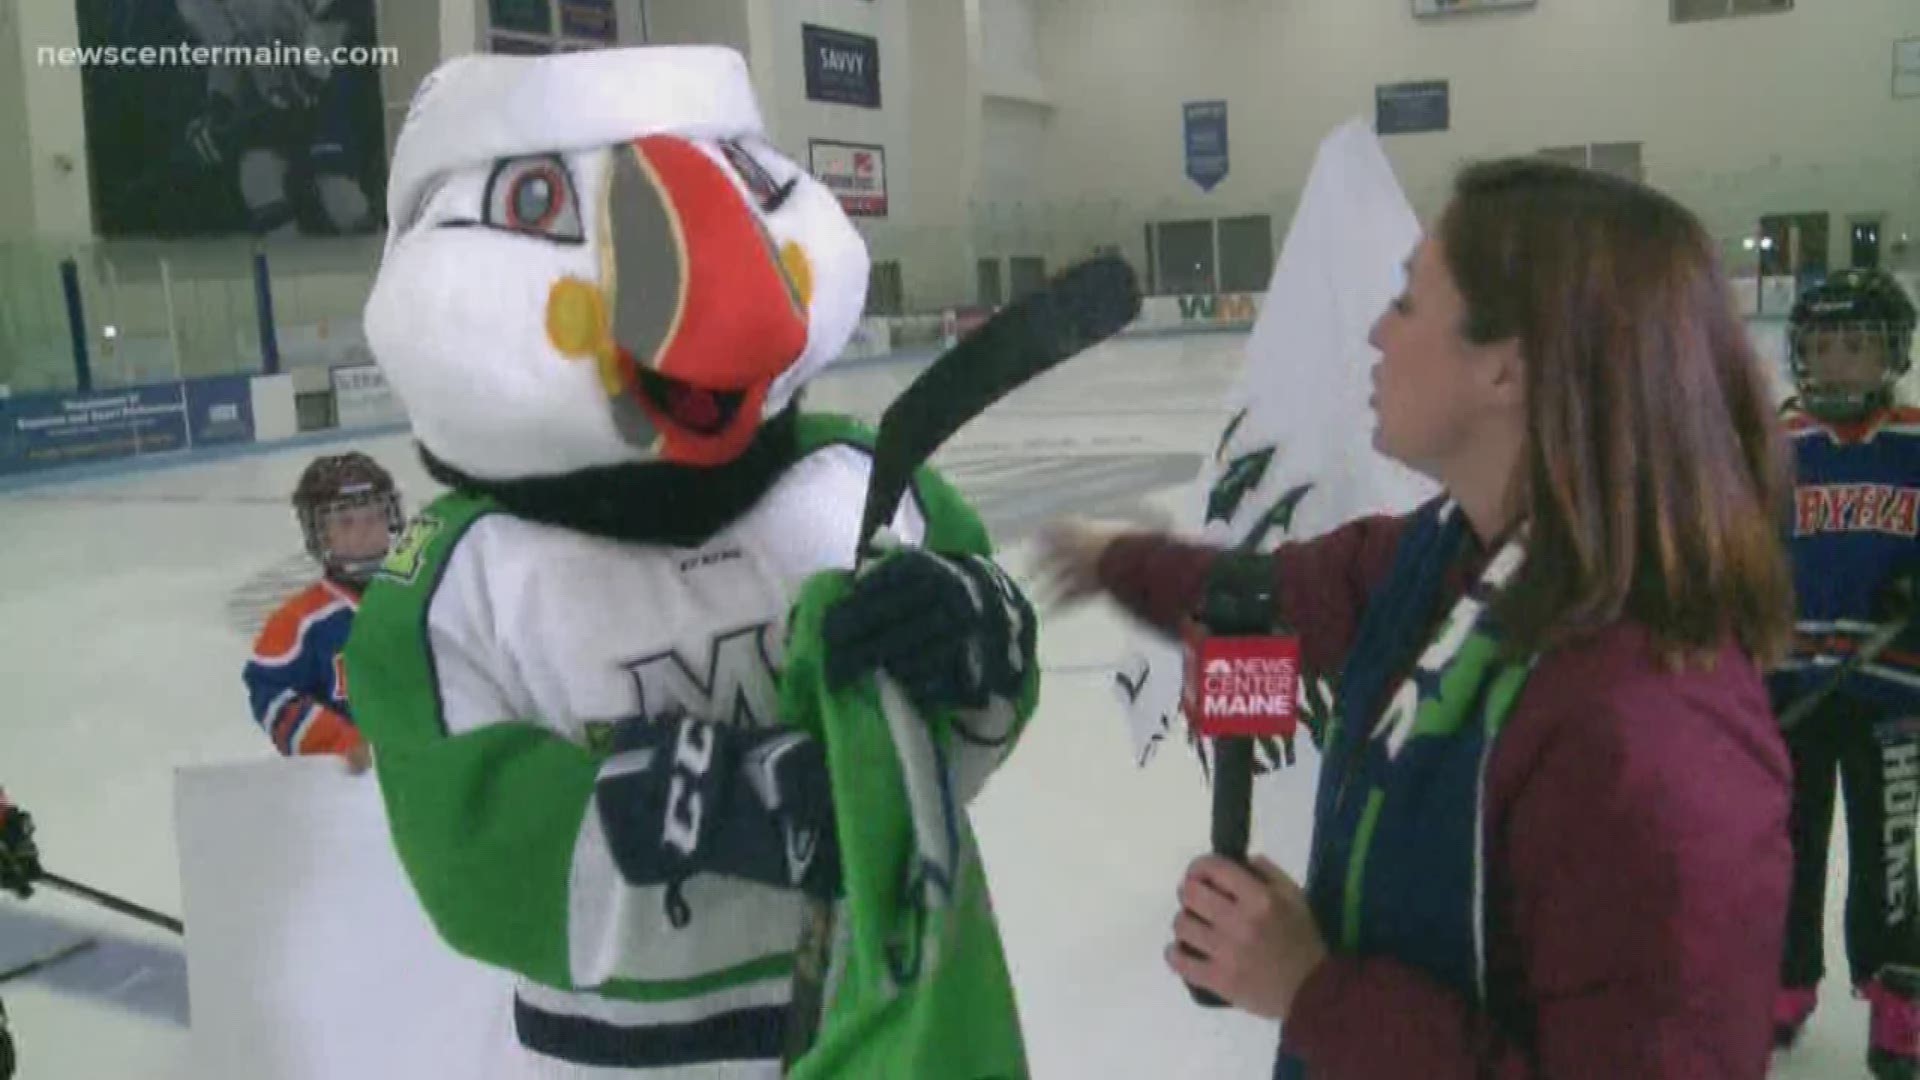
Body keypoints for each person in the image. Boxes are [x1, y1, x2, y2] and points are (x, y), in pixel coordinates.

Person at [1037, 158, 1795, 1077]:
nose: (1375, 331)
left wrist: (1313, 990)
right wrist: (1114, 560)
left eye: (1406, 300)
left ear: (1507, 365)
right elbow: (1284, 595)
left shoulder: (1653, 729)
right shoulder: (1452, 553)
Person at [1768, 268, 1920, 1078]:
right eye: (1824, 345)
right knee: (1786, 846)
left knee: (1890, 854)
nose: (1839, 361)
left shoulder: (1916, 442)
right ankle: (1784, 988)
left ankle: (1899, 1005)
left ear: (1891, 352)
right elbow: (1737, 552)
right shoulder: (1774, 446)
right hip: (1791, 686)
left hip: (1892, 692)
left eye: (1857, 345)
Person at [242, 452, 401, 771]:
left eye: (374, 516)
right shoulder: (299, 621)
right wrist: (339, 741)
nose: (365, 532)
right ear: (319, 533)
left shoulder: (424, 598)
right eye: (345, 522)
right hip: (352, 791)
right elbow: (270, 693)